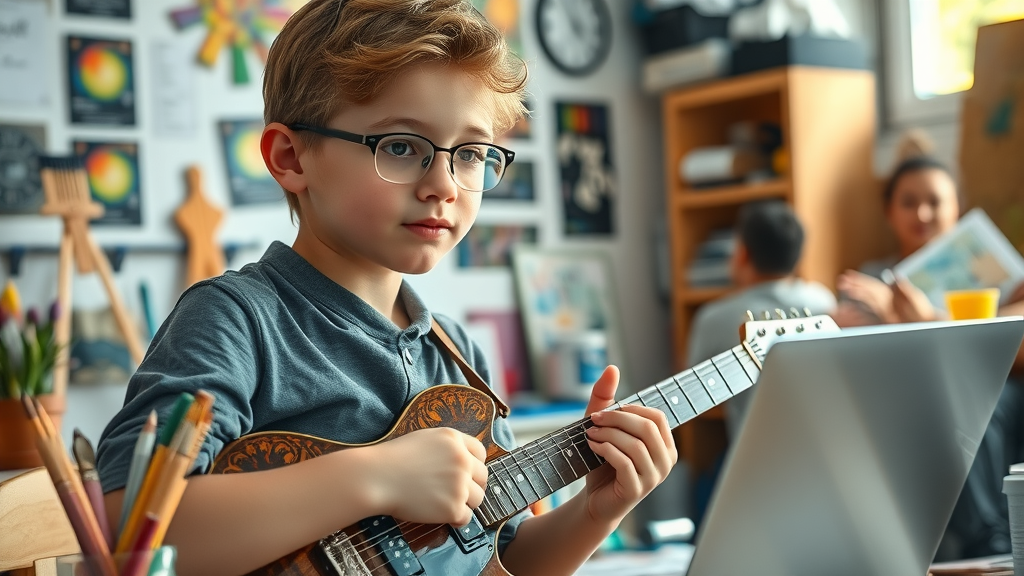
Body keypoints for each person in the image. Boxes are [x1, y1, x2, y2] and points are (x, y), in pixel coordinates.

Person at [95, 2, 677, 575]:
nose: (444, 185)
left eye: (471, 154)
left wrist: (597, 511)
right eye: (401, 146)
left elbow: (500, 562)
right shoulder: (236, 319)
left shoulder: (457, 357)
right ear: (291, 156)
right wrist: (378, 477)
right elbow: (132, 525)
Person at [835, 132, 1024, 560]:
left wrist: (925, 321)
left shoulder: (994, 267)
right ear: (888, 211)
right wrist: (886, 319)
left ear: (956, 206)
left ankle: (989, 543)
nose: (922, 213)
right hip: (915, 393)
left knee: (972, 400)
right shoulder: (871, 280)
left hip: (995, 390)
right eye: (908, 202)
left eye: (935, 201)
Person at [686, 200, 836, 439]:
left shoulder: (713, 318)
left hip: (751, 453)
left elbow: (695, 398)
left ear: (743, 254)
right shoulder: (824, 302)